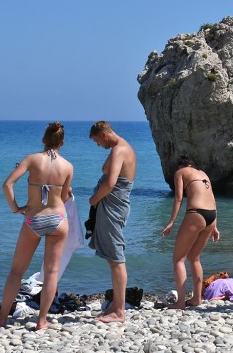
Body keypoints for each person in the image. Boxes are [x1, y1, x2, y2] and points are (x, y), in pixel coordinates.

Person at [0, 122, 73, 331]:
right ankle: (42, 321)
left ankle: (2, 317)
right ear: (62, 143)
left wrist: (16, 208)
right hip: (59, 220)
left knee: (17, 270)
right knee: (51, 272)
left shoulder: (32, 160)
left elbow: (7, 185)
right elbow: (65, 196)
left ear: (43, 140)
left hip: (34, 218)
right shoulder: (68, 166)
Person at [88, 120, 137, 323]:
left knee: (116, 258)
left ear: (105, 134)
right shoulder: (120, 147)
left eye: (98, 141)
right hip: (112, 207)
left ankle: (119, 311)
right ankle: (116, 306)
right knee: (112, 258)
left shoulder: (119, 150)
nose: (98, 145)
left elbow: (110, 182)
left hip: (113, 208)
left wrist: (94, 200)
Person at [162, 157, 219, 308]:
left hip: (197, 213)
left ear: (180, 166)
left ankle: (180, 302)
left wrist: (171, 222)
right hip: (211, 216)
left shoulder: (180, 172)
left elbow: (179, 198)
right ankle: (196, 299)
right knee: (194, 258)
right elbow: (212, 198)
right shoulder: (203, 174)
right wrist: (215, 226)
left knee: (178, 259)